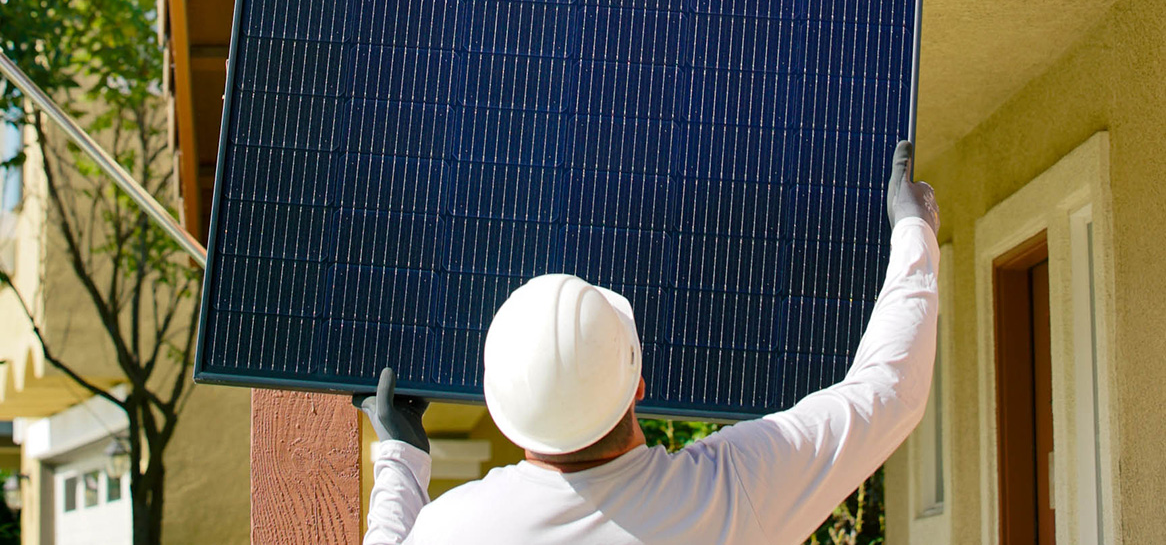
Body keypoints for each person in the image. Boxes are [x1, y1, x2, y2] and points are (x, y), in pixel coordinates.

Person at [357, 141, 940, 544]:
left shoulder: (455, 530)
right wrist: (913, 230)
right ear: (637, 384)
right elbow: (890, 394)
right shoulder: (729, 495)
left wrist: (401, 461)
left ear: (506, 414)